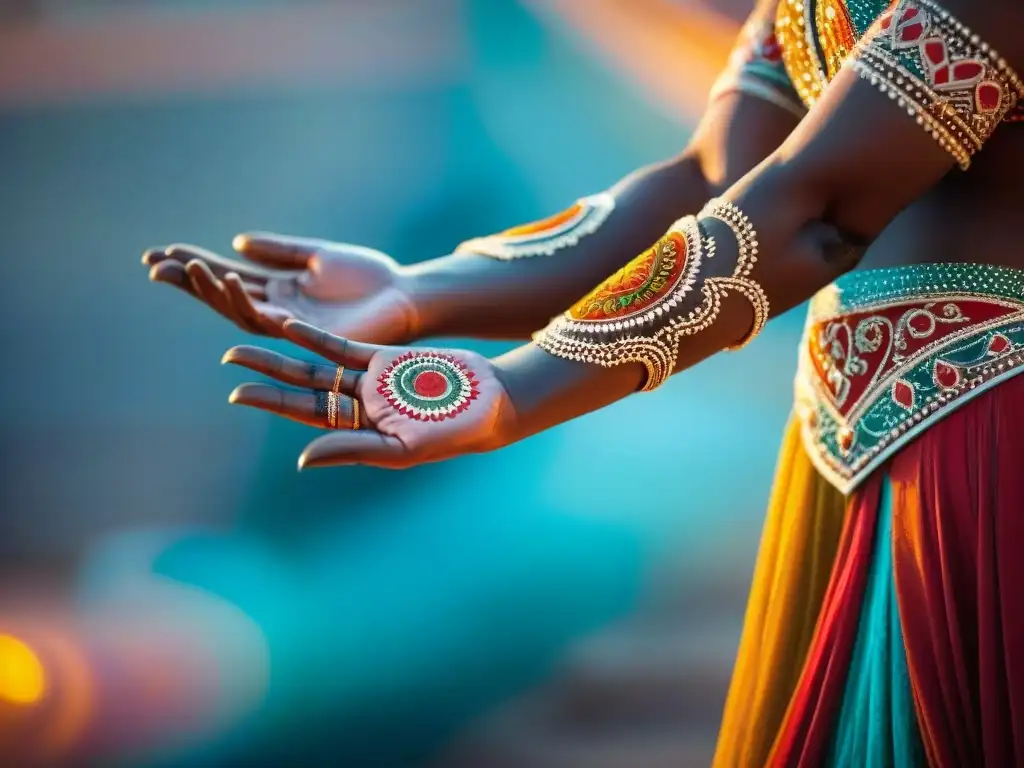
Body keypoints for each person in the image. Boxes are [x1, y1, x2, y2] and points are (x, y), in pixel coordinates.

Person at [142, 0, 1024, 763]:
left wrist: (521, 388)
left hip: (985, 450)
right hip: (869, 451)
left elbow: (817, 211)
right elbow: (714, 181)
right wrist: (417, 293)